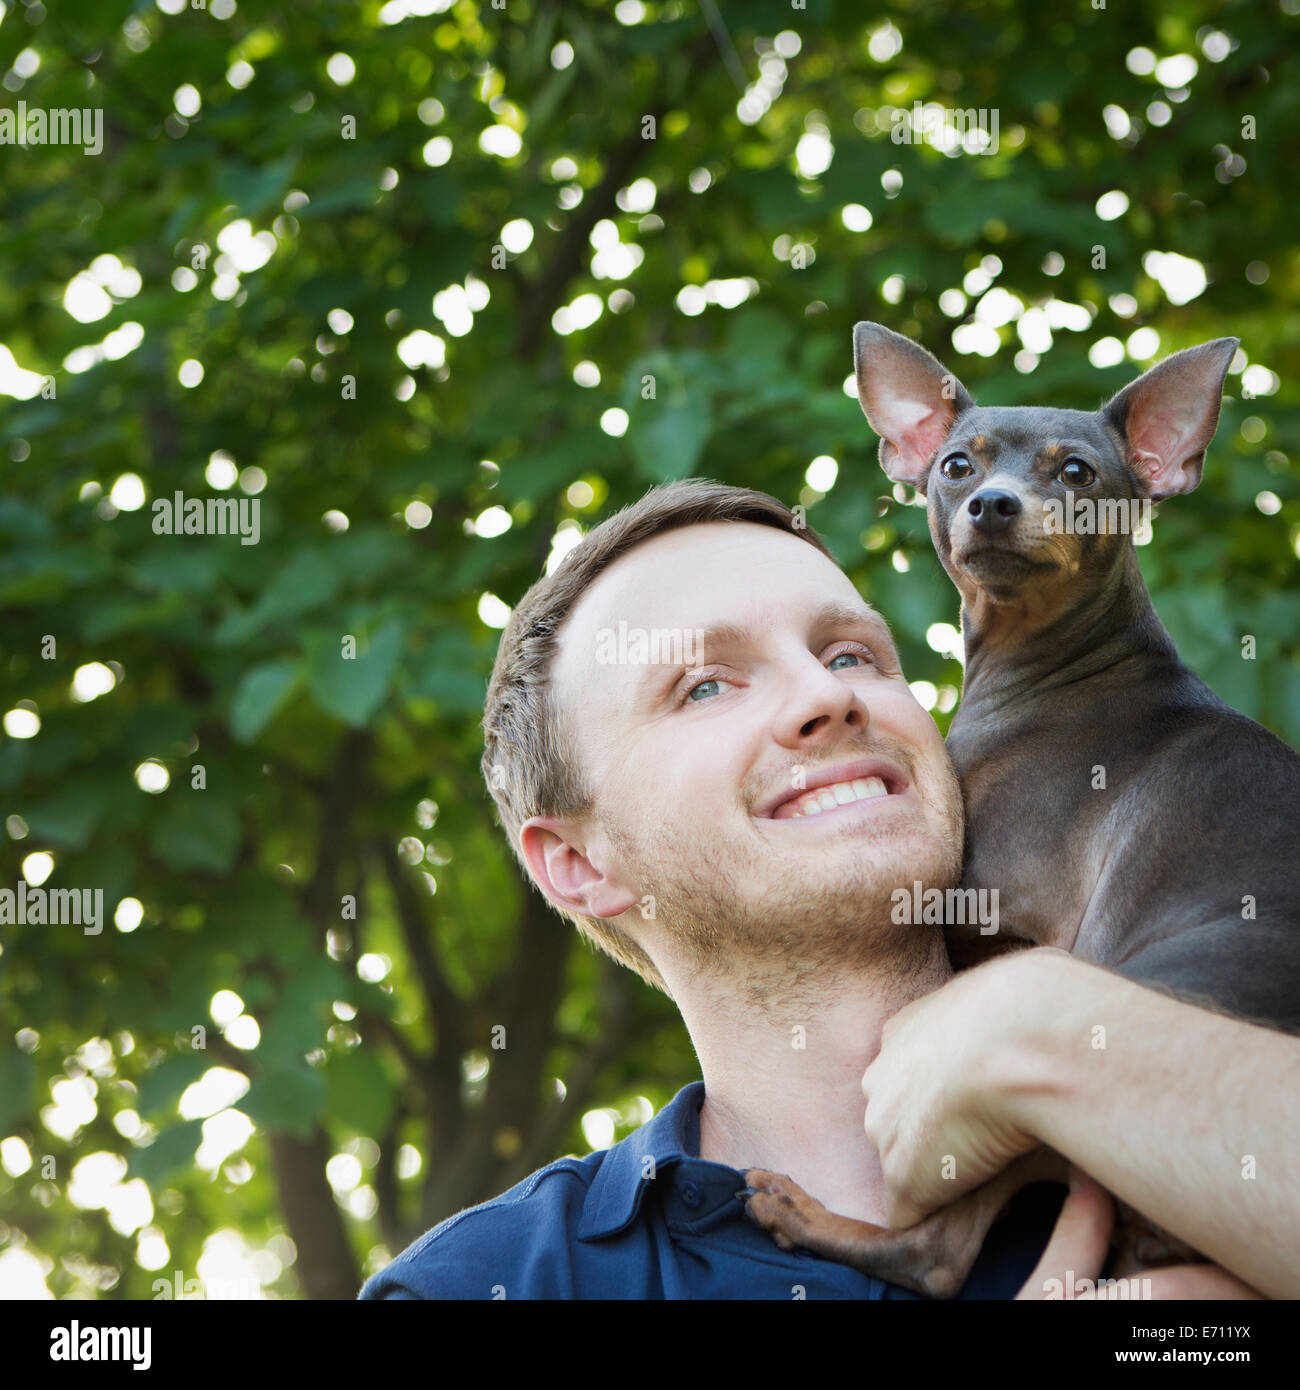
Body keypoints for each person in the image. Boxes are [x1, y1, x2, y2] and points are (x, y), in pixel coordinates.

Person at [358, 480, 1260, 1300]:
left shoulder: (1227, 1081)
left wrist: (1041, 1025)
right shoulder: (488, 1283)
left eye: (854, 655)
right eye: (705, 685)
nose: (826, 697)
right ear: (580, 864)